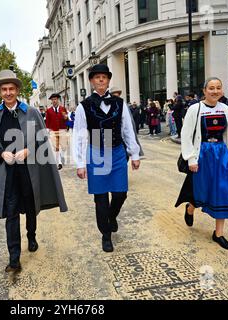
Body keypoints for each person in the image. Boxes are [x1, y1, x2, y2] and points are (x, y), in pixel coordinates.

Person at [0, 70, 68, 272]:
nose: (8, 92)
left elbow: (41, 139)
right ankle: (14, 258)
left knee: (30, 207)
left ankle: (31, 235)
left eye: (11, 88)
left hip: (29, 172)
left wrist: (29, 150)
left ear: (18, 90)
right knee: (11, 213)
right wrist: (1, 153)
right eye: (4, 89)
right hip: (8, 172)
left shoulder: (31, 112)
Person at [73, 64, 141, 253]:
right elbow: (78, 135)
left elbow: (127, 129)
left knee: (120, 193)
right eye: (97, 77)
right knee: (100, 198)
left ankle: (111, 217)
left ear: (108, 80)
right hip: (96, 151)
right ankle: (106, 234)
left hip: (118, 151)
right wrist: (80, 163)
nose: (101, 80)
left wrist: (134, 153)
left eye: (104, 77)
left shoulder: (120, 104)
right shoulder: (83, 106)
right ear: (91, 81)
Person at [175, 77, 228, 250]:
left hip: (221, 155)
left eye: (218, 87)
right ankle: (191, 207)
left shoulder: (225, 109)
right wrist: (191, 158)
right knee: (201, 191)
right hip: (202, 154)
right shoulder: (195, 109)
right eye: (211, 88)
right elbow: (186, 135)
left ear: (222, 91)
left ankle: (218, 234)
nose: (215, 91)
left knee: (224, 191)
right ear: (204, 91)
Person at [45, 93, 68, 170]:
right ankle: (59, 162)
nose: (54, 101)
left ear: (58, 100)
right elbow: (47, 121)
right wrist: (48, 130)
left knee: (64, 146)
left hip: (62, 130)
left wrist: (66, 117)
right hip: (53, 131)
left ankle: (62, 156)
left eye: (55, 99)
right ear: (51, 101)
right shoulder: (48, 110)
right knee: (56, 147)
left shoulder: (63, 109)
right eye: (53, 100)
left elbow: (66, 119)